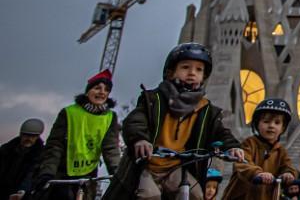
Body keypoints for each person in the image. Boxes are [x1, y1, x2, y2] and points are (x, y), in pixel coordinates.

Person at [101, 43, 245, 200]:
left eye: (198, 69)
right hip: (149, 166)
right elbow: (135, 121)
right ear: (170, 73)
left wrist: (232, 147)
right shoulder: (154, 99)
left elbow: (220, 132)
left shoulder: (205, 109)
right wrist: (140, 139)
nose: (192, 73)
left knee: (195, 194)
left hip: (175, 167)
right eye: (185, 67)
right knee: (150, 195)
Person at [36, 70, 122, 200]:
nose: (102, 92)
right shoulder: (69, 113)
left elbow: (111, 148)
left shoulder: (110, 117)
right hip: (63, 171)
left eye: (106, 90)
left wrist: (117, 174)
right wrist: (47, 172)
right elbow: (55, 145)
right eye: (97, 88)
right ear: (88, 91)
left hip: (89, 173)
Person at [221, 99, 297, 200]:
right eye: (266, 121)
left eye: (277, 122)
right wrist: (258, 173)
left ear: (283, 128)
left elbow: (287, 165)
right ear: (257, 124)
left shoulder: (281, 151)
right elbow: (243, 163)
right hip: (243, 196)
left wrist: (288, 174)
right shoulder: (249, 144)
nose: (271, 126)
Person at [1, 119, 45, 200]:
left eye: (33, 136)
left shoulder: (40, 155)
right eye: (26, 135)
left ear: (38, 136)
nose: (29, 138)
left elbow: (31, 174)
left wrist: (22, 191)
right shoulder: (6, 150)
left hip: (20, 194)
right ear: (21, 134)